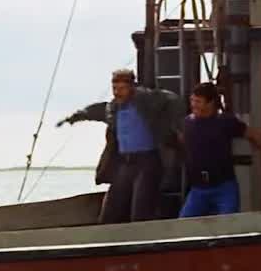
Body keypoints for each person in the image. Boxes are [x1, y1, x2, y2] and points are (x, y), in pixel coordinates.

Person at [56, 68, 185, 224]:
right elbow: (93, 111)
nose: (117, 92)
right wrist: (74, 117)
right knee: (110, 212)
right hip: (125, 163)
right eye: (115, 88)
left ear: (132, 87)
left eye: (122, 88)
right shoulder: (113, 108)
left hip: (147, 162)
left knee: (141, 212)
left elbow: (173, 100)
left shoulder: (146, 99)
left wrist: (178, 125)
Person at [178, 81, 261, 218]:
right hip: (198, 189)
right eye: (192, 100)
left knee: (229, 225)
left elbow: (253, 135)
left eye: (198, 101)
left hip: (223, 188)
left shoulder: (226, 121)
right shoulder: (188, 122)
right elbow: (183, 141)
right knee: (183, 224)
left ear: (210, 103)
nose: (193, 105)